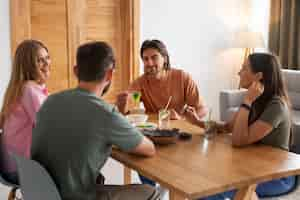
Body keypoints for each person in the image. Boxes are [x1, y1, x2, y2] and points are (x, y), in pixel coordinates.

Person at [31, 41, 160, 200]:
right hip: (75, 197)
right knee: (148, 191)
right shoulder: (105, 113)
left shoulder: (50, 101)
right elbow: (149, 149)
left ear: (76, 71)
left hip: (42, 193)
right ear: (110, 74)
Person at [184, 53, 296, 199]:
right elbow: (228, 127)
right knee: (201, 181)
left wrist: (247, 101)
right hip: (253, 166)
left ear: (258, 76)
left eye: (244, 68)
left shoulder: (276, 106)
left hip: (276, 176)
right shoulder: (255, 98)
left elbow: (238, 140)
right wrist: (196, 121)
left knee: (211, 190)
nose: (239, 72)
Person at [116, 39, 207, 120]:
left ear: (165, 59)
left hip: (180, 130)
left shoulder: (182, 78)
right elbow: (128, 108)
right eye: (145, 59)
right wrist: (122, 106)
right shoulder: (140, 83)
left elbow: (202, 110)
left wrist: (181, 118)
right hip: (153, 130)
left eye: (154, 57)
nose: (149, 63)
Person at [0, 39, 50, 184]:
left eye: (47, 57)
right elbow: (49, 127)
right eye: (40, 60)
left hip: (9, 167)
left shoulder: (18, 89)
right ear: (28, 65)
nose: (47, 63)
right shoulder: (29, 89)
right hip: (23, 170)